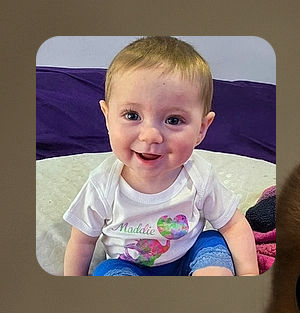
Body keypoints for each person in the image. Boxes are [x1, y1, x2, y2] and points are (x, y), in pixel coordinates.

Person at [62, 36, 259, 276]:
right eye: (132, 115)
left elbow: (234, 225)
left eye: (173, 120)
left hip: (189, 255)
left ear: (201, 129)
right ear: (107, 117)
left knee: (213, 242)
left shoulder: (200, 175)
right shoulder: (102, 184)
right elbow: (82, 241)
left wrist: (249, 274)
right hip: (128, 266)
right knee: (108, 271)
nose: (151, 136)